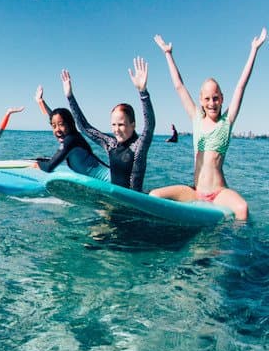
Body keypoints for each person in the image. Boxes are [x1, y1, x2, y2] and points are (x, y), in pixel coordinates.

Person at [149, 29, 266, 220]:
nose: (212, 103)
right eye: (207, 98)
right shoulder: (196, 118)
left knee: (242, 208)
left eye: (216, 98)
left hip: (219, 192)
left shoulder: (226, 122)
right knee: (154, 195)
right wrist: (168, 54)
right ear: (201, 100)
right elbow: (179, 86)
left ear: (222, 99)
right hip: (196, 191)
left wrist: (254, 50)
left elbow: (240, 86)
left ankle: (237, 247)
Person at [60, 59, 154, 191]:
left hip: (133, 204)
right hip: (114, 199)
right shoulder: (111, 144)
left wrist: (143, 92)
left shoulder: (138, 147)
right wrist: (70, 96)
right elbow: (84, 127)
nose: (116, 130)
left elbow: (149, 126)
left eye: (121, 124)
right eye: (113, 124)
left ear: (133, 125)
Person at [34, 86, 109, 180]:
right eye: (54, 126)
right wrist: (40, 102)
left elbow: (49, 167)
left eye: (61, 124)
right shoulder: (74, 137)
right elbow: (52, 118)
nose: (57, 129)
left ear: (70, 124)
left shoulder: (70, 141)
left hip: (113, 183)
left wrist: (36, 165)